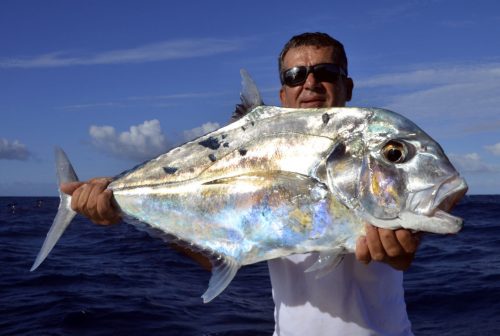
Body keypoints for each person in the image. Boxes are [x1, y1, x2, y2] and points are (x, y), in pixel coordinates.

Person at [61, 32, 418, 335]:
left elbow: (410, 237)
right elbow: (224, 247)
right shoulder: (259, 157)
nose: (309, 83)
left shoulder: (373, 148)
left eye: (325, 72)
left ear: (347, 85)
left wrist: (403, 249)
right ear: (282, 95)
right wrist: (120, 209)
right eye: (295, 75)